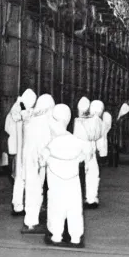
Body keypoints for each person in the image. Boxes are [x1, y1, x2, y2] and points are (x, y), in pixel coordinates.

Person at [41, 104, 91, 248]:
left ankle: (56, 236)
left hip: (56, 183)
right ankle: (76, 238)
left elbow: (41, 159)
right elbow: (87, 152)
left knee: (56, 207)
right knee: (74, 208)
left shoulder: (52, 143)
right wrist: (80, 159)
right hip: (73, 180)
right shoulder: (76, 142)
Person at [21, 93, 55, 233]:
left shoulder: (31, 118)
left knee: (31, 189)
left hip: (29, 158)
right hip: (39, 159)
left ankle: (30, 221)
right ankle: (32, 222)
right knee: (37, 189)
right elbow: (47, 143)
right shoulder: (46, 121)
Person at [11, 89, 37, 217]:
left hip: (21, 149)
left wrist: (19, 103)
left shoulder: (19, 112)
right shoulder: (32, 113)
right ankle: (29, 207)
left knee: (19, 178)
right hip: (29, 150)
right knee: (30, 179)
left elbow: (15, 114)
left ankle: (17, 205)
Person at [74, 98, 104, 208]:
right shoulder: (98, 121)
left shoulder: (78, 121)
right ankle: (91, 198)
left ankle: (74, 197)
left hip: (78, 148)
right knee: (92, 173)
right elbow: (100, 139)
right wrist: (101, 151)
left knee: (74, 172)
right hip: (90, 148)